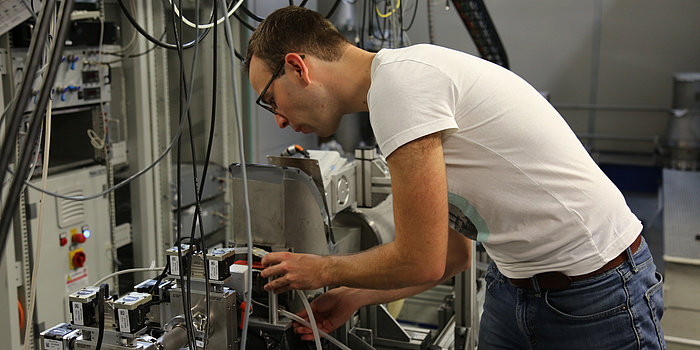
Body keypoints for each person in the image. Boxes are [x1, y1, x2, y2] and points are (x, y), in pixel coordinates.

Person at [243, 6, 666, 349]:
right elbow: (452, 257)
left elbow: (419, 258)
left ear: (298, 67)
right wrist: (358, 296)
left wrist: (322, 271)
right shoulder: (398, 91)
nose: (278, 120)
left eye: (269, 100)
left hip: (597, 291)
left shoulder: (400, 87)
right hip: (513, 286)